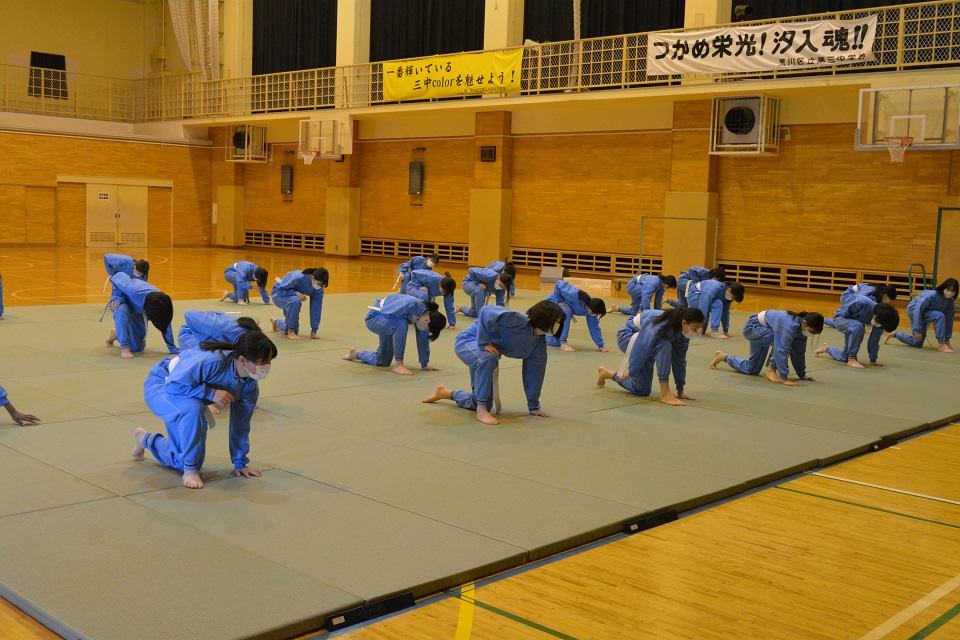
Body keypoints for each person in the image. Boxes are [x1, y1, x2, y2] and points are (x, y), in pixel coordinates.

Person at [133, 330, 278, 489]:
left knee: (185, 459)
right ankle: (189, 469)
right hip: (163, 383)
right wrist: (210, 393)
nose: (266, 367)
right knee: (193, 409)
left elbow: (241, 425)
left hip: (187, 395)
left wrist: (240, 462)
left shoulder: (249, 387)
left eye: (269, 361)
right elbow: (173, 385)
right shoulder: (209, 362)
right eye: (262, 362)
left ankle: (146, 439)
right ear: (242, 360)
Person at [422, 301, 565, 425]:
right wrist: (483, 342)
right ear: (544, 318)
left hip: (485, 354)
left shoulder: (538, 345)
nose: (558, 325)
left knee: (481, 399)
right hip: (469, 341)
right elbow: (485, 311)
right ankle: (481, 410)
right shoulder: (516, 319)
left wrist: (533, 406)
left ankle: (446, 393)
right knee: (489, 359)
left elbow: (535, 374)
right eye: (556, 321)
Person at [596, 307, 703, 406]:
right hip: (628, 336)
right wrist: (632, 372)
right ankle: (665, 393)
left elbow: (679, 360)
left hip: (648, 343)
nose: (697, 332)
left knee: (642, 390)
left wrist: (680, 389)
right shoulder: (661, 322)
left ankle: (608, 374)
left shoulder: (683, 334)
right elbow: (642, 345)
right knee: (664, 344)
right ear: (684, 323)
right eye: (695, 328)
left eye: (699, 328)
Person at [341, 293, 447, 375]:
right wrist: (409, 317)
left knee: (383, 361)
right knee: (401, 322)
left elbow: (423, 339)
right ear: (427, 320)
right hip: (375, 318)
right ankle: (398, 364)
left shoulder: (424, 315)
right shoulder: (412, 303)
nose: (424, 331)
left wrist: (424, 364)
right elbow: (386, 312)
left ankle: (355, 354)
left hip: (389, 324)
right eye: (427, 329)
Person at [711, 310, 824, 385]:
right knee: (780, 339)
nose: (811, 334)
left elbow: (799, 352)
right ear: (804, 323)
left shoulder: (800, 331)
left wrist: (802, 374)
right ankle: (771, 371)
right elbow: (781, 350)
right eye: (811, 331)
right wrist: (784, 378)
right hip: (753, 328)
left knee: (752, 369)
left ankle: (723, 357)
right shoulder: (789, 325)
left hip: (764, 332)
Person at [104, 272, 178, 358]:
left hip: (138, 307)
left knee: (136, 348)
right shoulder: (133, 289)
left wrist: (172, 347)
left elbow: (164, 321)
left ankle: (116, 333)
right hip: (122, 302)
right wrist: (118, 296)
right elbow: (117, 276)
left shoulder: (161, 301)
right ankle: (124, 347)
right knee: (122, 310)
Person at [815, 298, 899, 368]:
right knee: (858, 327)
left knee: (845, 357)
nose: (880, 326)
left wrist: (873, 360)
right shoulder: (862, 303)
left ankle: (826, 348)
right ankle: (851, 359)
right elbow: (845, 308)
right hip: (841, 317)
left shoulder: (881, 321)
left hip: (854, 326)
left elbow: (874, 340)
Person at [885, 278, 957, 353]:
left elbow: (949, 320)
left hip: (928, 312)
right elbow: (918, 310)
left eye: (952, 291)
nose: (950, 293)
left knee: (917, 343)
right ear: (943, 288)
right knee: (939, 316)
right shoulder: (931, 295)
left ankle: (894, 334)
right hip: (914, 310)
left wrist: (947, 339)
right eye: (948, 290)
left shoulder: (950, 302)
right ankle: (941, 344)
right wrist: (917, 330)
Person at [543, 280, 608, 352]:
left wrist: (600, 345)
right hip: (550, 304)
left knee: (556, 342)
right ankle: (563, 342)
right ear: (591, 311)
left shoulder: (591, 309)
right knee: (567, 310)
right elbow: (559, 284)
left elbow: (594, 327)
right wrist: (559, 300)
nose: (596, 315)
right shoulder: (574, 295)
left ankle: (542, 336)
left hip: (559, 314)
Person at [269, 267, 328, 340]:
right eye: (318, 284)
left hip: (291, 299)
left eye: (322, 286)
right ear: (312, 278)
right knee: (296, 300)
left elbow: (316, 308)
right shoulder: (298, 277)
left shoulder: (318, 289)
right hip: (279, 294)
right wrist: (295, 293)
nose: (319, 287)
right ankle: (290, 332)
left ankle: (276, 321)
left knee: (295, 331)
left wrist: (314, 330)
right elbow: (281, 289)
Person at [824, 283, 898, 328]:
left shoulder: (879, 297)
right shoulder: (872, 288)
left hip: (855, 302)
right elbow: (859, 298)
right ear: (886, 295)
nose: (887, 301)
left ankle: (827, 320)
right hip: (848, 297)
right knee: (849, 322)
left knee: (852, 322)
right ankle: (827, 320)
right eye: (889, 299)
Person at [178, 310, 260, 350]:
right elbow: (189, 315)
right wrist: (210, 344)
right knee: (212, 359)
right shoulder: (222, 327)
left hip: (223, 340)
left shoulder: (251, 335)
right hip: (190, 333)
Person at [609, 273, 677, 315]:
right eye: (669, 288)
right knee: (648, 293)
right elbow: (645, 298)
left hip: (639, 288)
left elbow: (658, 301)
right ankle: (641, 310)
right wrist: (647, 312)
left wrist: (659, 313)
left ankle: (617, 309)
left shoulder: (662, 286)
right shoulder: (653, 283)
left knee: (633, 312)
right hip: (632, 286)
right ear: (667, 286)